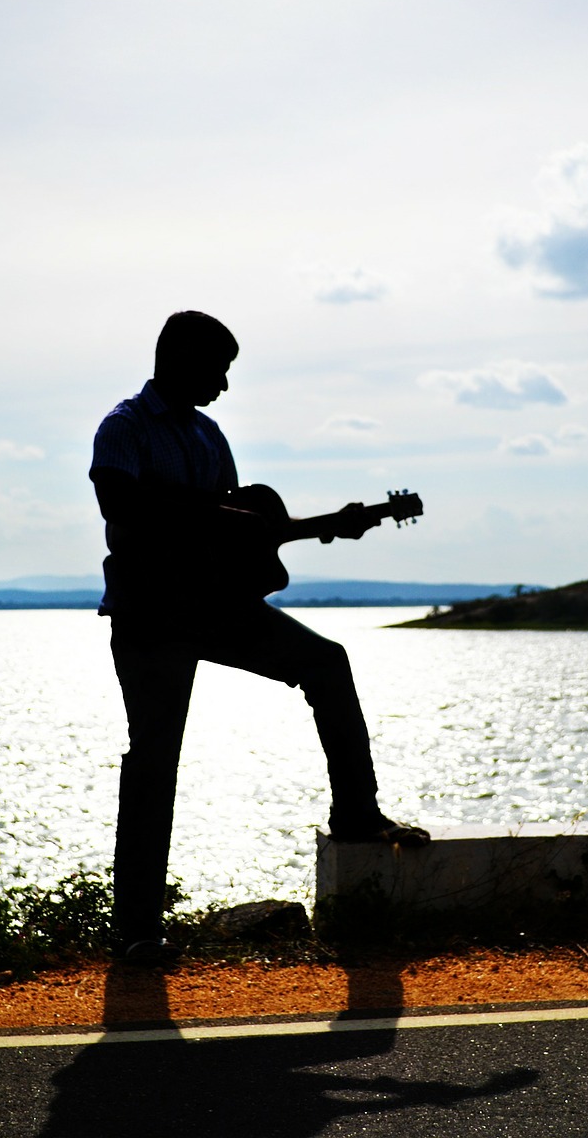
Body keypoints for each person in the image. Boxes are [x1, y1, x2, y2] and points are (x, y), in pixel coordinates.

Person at [90, 310, 429, 964]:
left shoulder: (209, 436)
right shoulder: (124, 428)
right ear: (181, 360)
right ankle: (137, 931)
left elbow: (227, 537)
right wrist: (250, 520)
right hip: (149, 616)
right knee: (153, 763)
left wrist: (313, 527)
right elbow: (123, 506)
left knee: (326, 663)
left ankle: (356, 813)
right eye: (217, 369)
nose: (223, 384)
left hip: (211, 607)